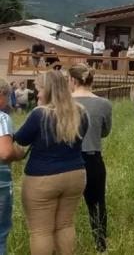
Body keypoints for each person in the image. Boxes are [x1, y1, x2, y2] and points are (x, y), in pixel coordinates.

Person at [14, 70, 89, 255]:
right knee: (65, 225)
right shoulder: (81, 112)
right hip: (75, 174)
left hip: (42, 178)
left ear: (47, 90)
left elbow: (20, 140)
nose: (37, 94)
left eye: (39, 89)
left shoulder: (39, 114)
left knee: (41, 231)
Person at [69, 64, 112, 252]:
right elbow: (105, 132)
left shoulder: (63, 103)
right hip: (93, 158)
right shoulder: (104, 104)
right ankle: (100, 244)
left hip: (66, 159)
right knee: (97, 205)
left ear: (73, 80)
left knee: (63, 207)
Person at [0, 78, 27, 255]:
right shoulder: (2, 118)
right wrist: (20, 153)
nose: (8, 101)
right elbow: (5, 153)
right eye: (6, 95)